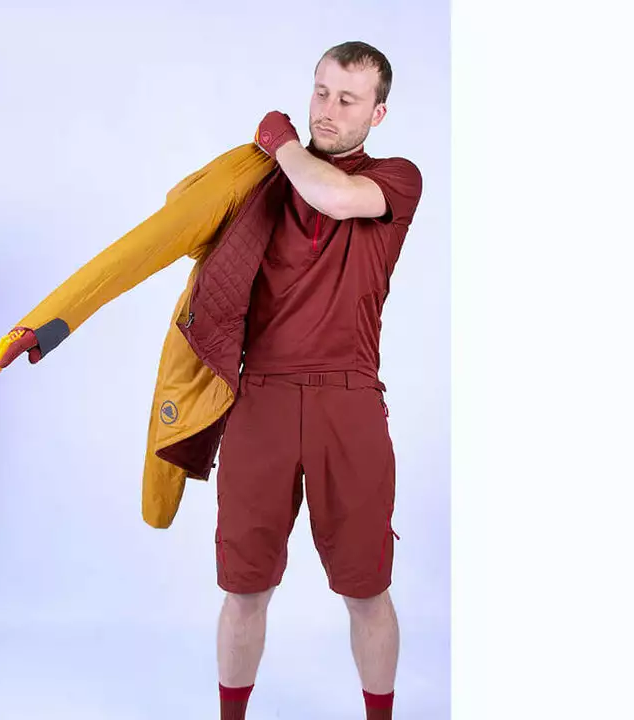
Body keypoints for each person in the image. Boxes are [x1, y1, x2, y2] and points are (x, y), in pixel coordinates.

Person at [217, 41, 423, 720]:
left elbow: (332, 195)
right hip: (261, 397)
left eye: (348, 99)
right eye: (321, 92)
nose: (328, 110)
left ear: (378, 112)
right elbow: (175, 226)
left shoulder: (396, 178)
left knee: (366, 589)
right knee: (244, 587)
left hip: (348, 398)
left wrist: (279, 141)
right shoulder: (262, 182)